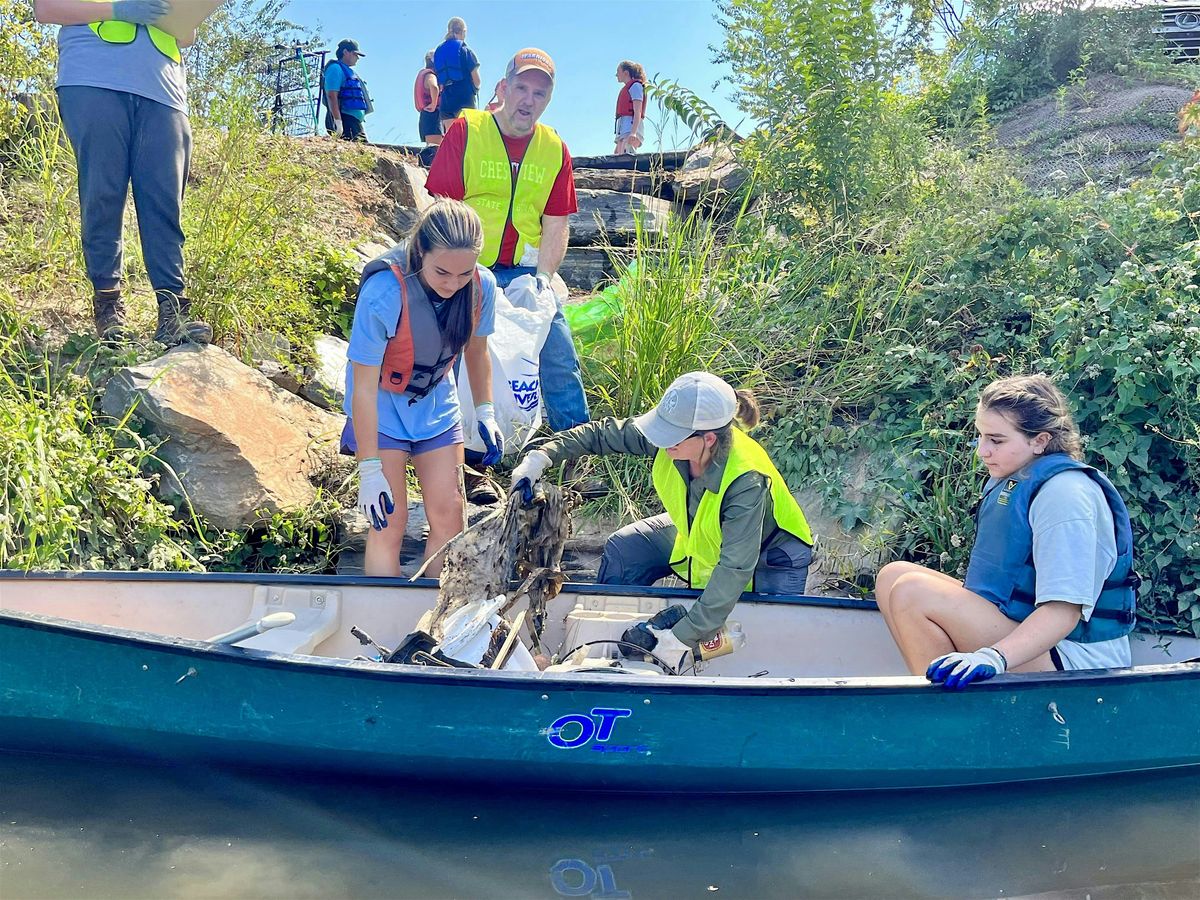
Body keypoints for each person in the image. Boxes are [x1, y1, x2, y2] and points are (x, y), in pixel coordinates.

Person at [510, 372, 815, 670]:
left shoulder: (746, 481)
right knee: (626, 549)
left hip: (770, 557)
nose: (662, 440)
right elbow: (602, 434)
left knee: (762, 639)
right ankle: (616, 649)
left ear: (709, 439)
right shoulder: (675, 436)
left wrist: (679, 639)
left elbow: (734, 569)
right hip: (700, 532)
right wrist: (542, 456)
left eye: (672, 437)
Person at [874, 374, 1139, 689]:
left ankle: (945, 721)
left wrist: (993, 657)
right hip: (1029, 633)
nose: (982, 452)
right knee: (893, 575)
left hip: (1076, 660)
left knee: (912, 592)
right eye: (981, 437)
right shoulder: (1018, 477)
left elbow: (1062, 613)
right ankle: (949, 705)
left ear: (1039, 440)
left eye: (996, 440)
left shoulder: (1066, 495)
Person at [427, 47, 588, 505]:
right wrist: (455, 270)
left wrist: (543, 279)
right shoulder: (469, 130)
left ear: (548, 100)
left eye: (540, 92)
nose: (529, 99)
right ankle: (467, 464)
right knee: (456, 358)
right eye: (522, 87)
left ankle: (574, 454)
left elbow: (557, 223)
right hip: (466, 265)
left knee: (557, 350)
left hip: (523, 269)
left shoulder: (554, 148)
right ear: (503, 87)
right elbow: (440, 205)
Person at [34, 0, 211, 345]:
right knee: (103, 192)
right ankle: (108, 304)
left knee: (165, 204)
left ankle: (172, 310)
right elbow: (46, 8)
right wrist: (118, 10)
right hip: (92, 79)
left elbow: (187, 34)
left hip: (164, 93)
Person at [343, 200, 503, 578]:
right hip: (380, 408)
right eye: (442, 272)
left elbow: (477, 352)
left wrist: (485, 410)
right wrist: (368, 470)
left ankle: (434, 623)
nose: (452, 284)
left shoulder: (482, 287)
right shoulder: (384, 292)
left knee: (450, 518)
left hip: (436, 405)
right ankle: (382, 619)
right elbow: (362, 388)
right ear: (420, 252)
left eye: (463, 274)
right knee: (390, 520)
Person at [433, 17, 480, 132]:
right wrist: (476, 89)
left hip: (447, 101)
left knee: (452, 138)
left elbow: (440, 82)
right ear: (464, 31)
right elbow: (477, 81)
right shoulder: (465, 51)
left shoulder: (439, 51)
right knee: (467, 138)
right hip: (465, 99)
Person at [324, 38, 369, 143]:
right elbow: (332, 95)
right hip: (345, 120)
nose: (357, 58)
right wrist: (338, 122)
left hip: (353, 121)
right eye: (355, 54)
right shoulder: (335, 68)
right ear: (345, 52)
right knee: (362, 153)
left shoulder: (347, 70)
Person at [613, 60, 646, 155]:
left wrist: (633, 132)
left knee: (625, 153)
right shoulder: (630, 87)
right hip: (624, 126)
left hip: (630, 125)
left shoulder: (635, 86)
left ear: (626, 73)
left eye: (618, 72)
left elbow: (637, 111)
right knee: (617, 153)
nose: (616, 75)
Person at [415, 51, 441, 146]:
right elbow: (434, 87)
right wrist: (434, 104)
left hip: (425, 114)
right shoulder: (430, 75)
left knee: (431, 146)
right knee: (435, 148)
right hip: (433, 114)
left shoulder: (424, 73)